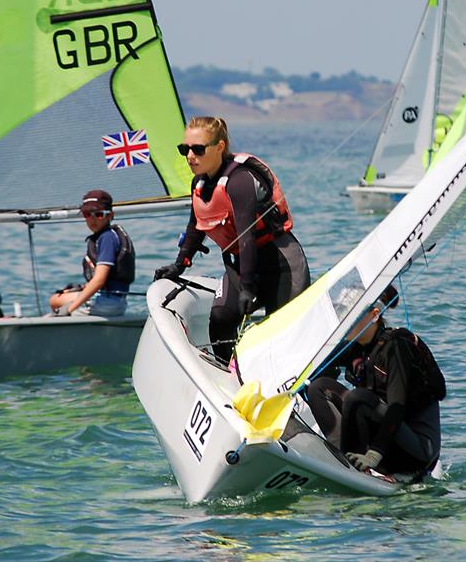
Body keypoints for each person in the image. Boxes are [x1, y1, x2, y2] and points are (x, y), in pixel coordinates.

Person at [154, 116, 310, 363]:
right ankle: (231, 379)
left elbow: (246, 236)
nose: (190, 156)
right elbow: (196, 225)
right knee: (221, 319)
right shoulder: (200, 182)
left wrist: (248, 287)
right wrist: (179, 264)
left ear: (219, 147)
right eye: (185, 149)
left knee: (283, 336)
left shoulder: (239, 181)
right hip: (242, 266)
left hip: (280, 265)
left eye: (198, 149)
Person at [306, 286, 444, 477]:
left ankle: (362, 467)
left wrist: (374, 454)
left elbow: (396, 408)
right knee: (317, 387)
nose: (345, 320)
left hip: (415, 453)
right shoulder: (354, 347)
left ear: (374, 315)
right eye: (343, 314)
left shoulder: (395, 348)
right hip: (385, 439)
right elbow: (315, 368)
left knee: (358, 398)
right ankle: (345, 460)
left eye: (351, 314)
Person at [49, 189, 135, 317]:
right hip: (113, 302)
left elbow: (99, 280)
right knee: (58, 298)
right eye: (87, 214)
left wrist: (69, 309)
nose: (93, 219)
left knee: (56, 300)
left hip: (107, 304)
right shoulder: (105, 237)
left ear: (110, 215)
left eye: (99, 214)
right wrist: (83, 288)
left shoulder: (107, 238)